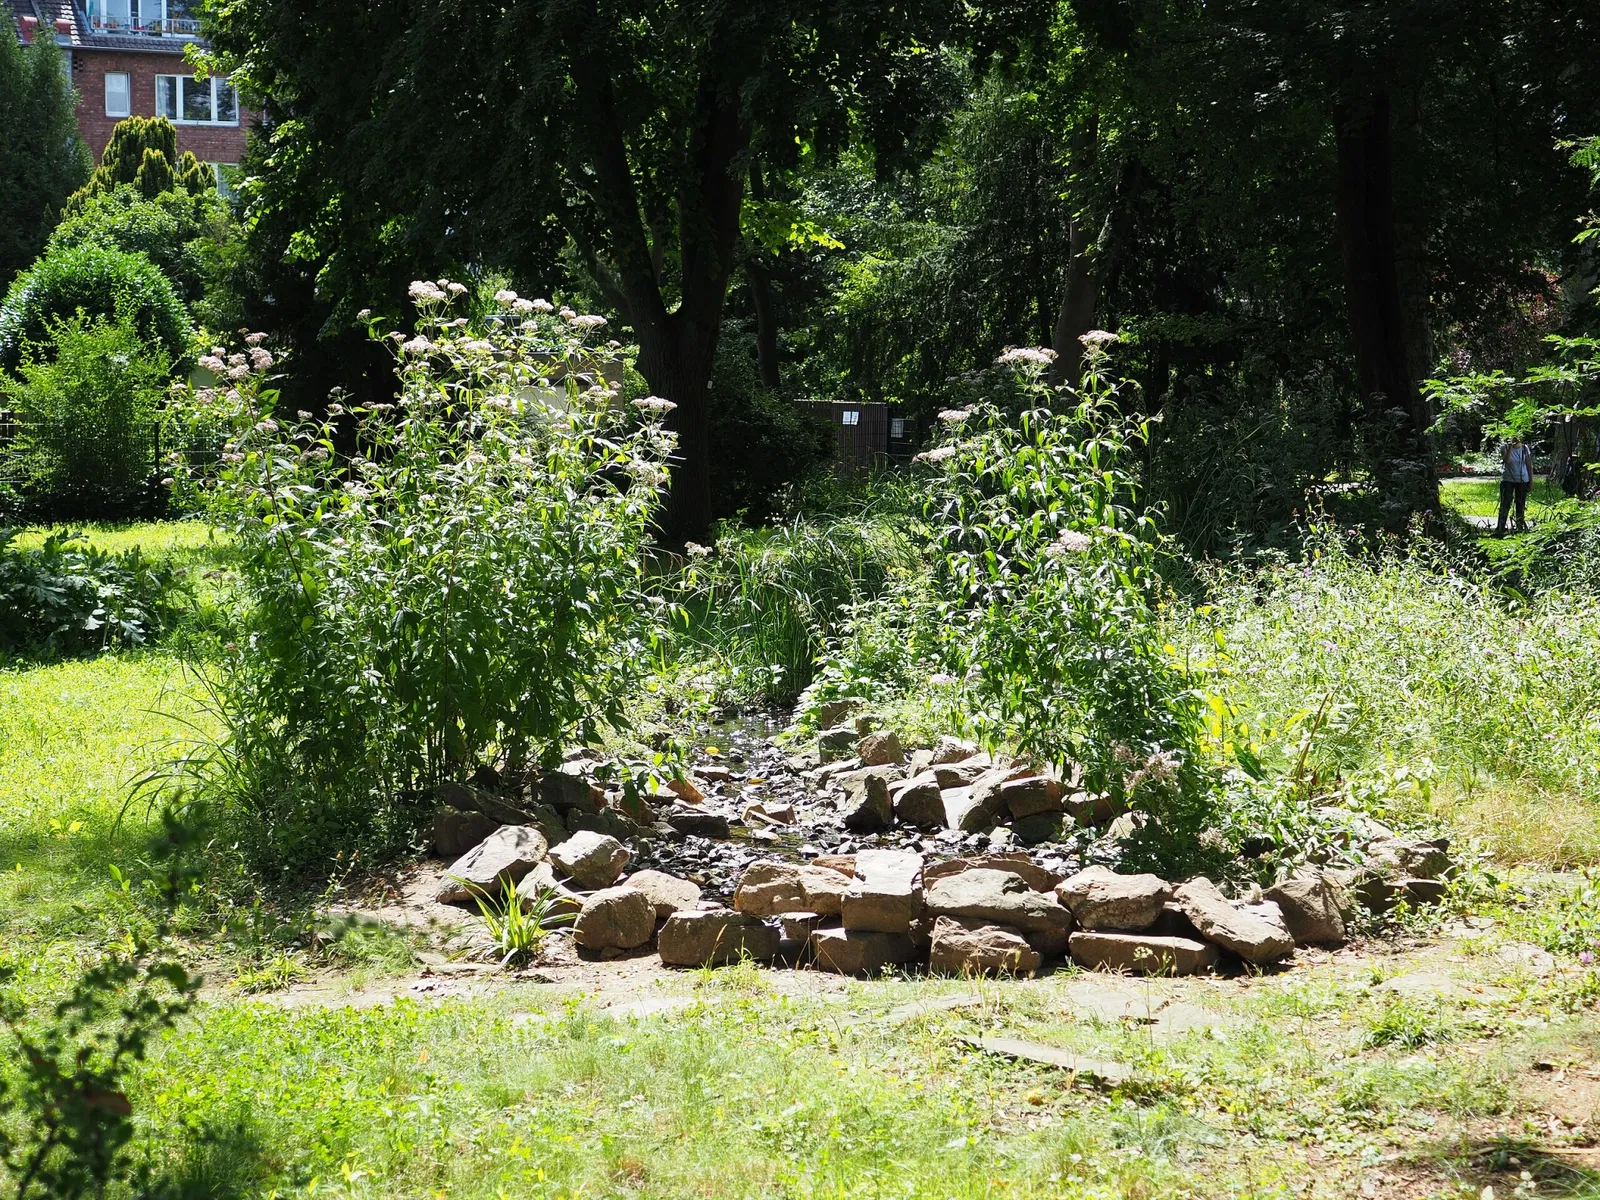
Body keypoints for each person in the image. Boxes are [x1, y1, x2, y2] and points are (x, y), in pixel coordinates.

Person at [1496, 435, 1534, 534]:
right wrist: (1510, 448)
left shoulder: (1525, 449)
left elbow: (1529, 465)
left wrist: (1531, 481)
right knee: (1505, 503)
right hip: (1508, 479)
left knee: (1520, 504)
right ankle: (1500, 527)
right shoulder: (1504, 447)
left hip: (1522, 480)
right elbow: (1507, 461)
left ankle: (1519, 526)